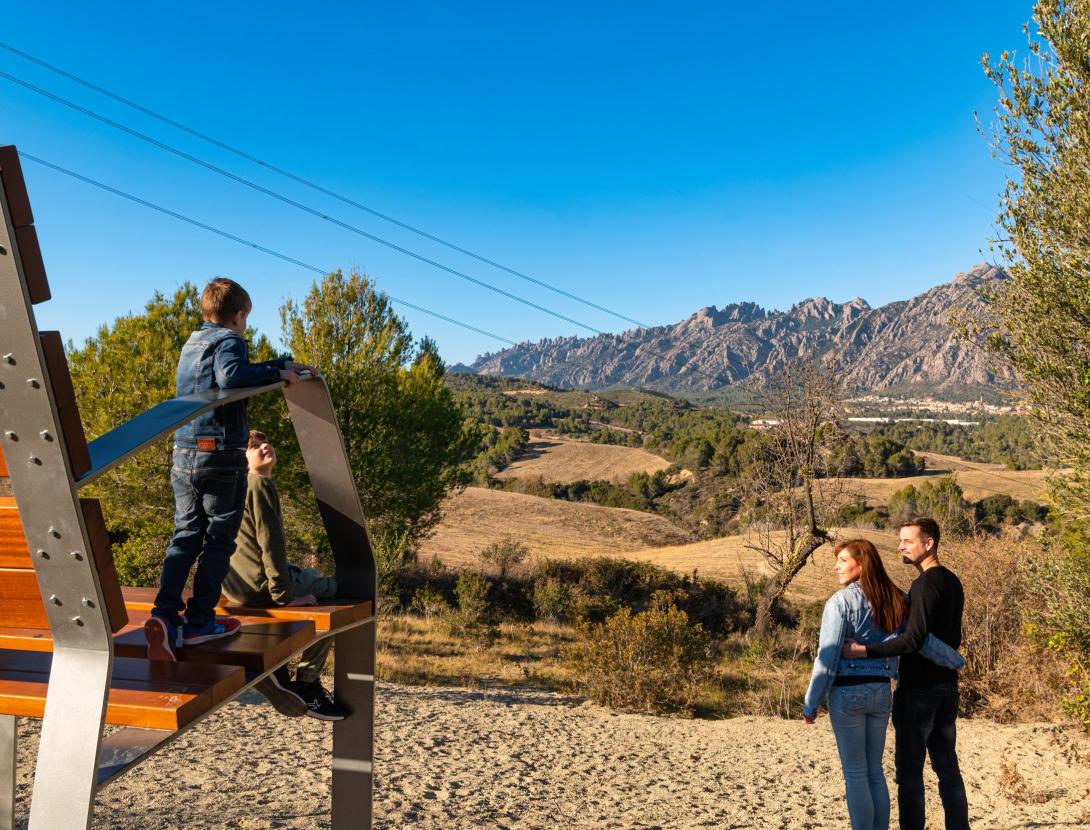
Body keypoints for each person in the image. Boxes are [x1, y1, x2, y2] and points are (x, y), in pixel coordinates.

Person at [144, 278, 314, 661]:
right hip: (220, 455)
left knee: (185, 535)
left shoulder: (193, 343)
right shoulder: (230, 341)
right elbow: (232, 376)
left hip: (184, 451)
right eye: (246, 318)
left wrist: (279, 366)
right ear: (238, 316)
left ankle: (165, 616)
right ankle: (201, 622)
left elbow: (227, 375)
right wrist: (276, 376)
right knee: (220, 540)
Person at [803, 538, 963, 830]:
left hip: (848, 693)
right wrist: (954, 659)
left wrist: (811, 703)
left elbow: (825, 658)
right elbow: (922, 641)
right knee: (875, 771)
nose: (836, 566)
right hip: (881, 692)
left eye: (843, 560)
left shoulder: (840, 602)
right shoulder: (897, 598)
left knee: (855, 773)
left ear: (861, 564)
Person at [842, 518, 970, 830]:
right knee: (947, 768)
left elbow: (912, 640)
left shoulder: (926, 584)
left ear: (929, 544)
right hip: (947, 689)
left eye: (908, 541)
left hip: (920, 691)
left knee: (910, 775)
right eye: (900, 540)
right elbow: (953, 636)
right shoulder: (952, 582)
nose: (901, 546)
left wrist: (861, 650)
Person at [221, 430, 349, 721]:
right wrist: (284, 596)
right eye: (254, 446)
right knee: (339, 596)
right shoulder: (259, 484)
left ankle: (273, 665)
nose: (265, 446)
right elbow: (271, 543)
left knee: (309, 579)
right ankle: (307, 683)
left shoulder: (234, 488)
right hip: (261, 587)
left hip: (236, 588)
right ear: (242, 459)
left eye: (267, 442)